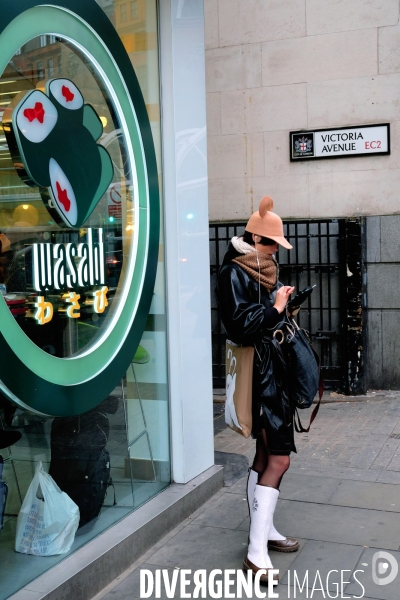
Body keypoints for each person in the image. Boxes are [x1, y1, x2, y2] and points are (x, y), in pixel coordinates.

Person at [216, 195, 299, 583]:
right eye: (272, 244)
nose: (274, 252)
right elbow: (240, 326)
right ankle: (255, 551)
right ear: (257, 240)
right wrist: (276, 308)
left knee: (267, 455)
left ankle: (263, 532)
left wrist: (284, 304)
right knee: (278, 459)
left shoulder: (264, 268)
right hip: (259, 378)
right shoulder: (235, 272)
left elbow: (265, 321)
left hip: (273, 374)